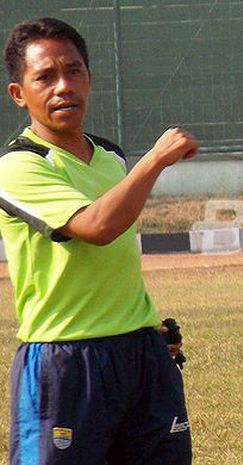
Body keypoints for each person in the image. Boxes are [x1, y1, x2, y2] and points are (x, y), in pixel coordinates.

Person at [0, 18, 197, 465]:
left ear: (90, 78)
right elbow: (97, 227)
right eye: (45, 77)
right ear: (19, 94)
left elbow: (117, 256)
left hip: (140, 356)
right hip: (64, 362)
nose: (63, 86)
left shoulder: (109, 156)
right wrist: (155, 160)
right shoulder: (17, 166)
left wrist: (145, 329)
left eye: (74, 72)